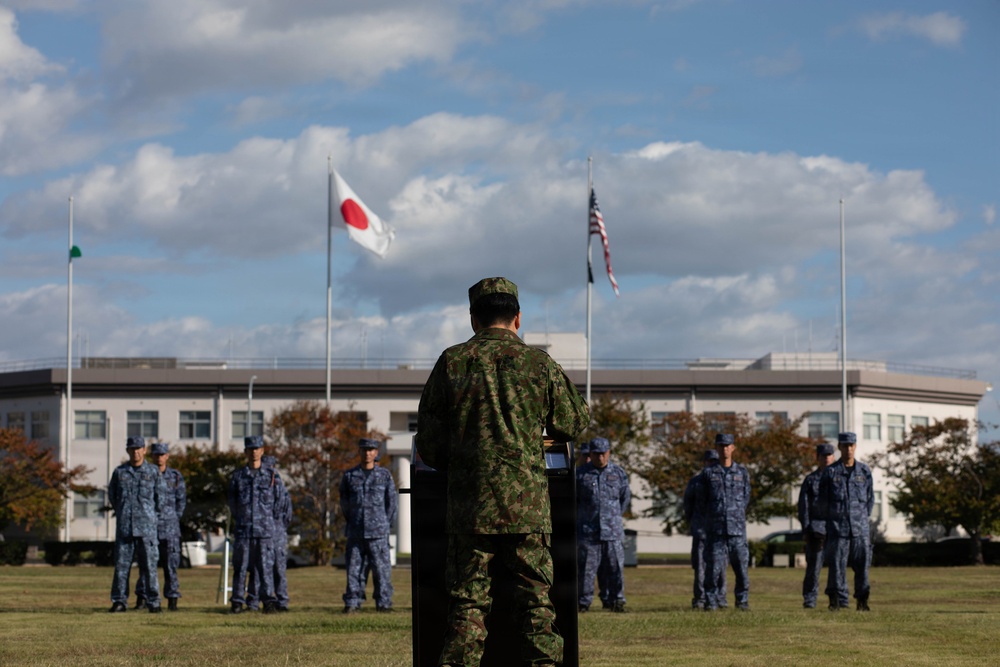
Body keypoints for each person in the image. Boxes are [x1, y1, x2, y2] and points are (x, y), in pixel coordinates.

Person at [415, 276, 590, 667]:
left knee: (467, 605)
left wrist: (461, 465)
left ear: (474, 319)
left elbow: (427, 440)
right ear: (518, 318)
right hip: (527, 510)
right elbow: (573, 423)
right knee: (536, 606)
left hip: (469, 507)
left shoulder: (452, 362)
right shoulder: (538, 362)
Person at [228, 435, 289, 614]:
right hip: (244, 530)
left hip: (265, 531)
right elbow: (233, 503)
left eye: (257, 449)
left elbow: (280, 502)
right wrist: (242, 518)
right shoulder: (238, 476)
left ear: (262, 451)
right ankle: (238, 602)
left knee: (265, 568)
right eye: (251, 449)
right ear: (246, 452)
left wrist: (267, 520)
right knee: (240, 567)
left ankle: (268, 601)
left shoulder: (271, 476)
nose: (254, 452)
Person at [108, 436, 166, 613]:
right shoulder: (120, 473)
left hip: (147, 528)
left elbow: (160, 499)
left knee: (149, 567)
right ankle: (119, 601)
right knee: (121, 566)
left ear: (144, 450)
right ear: (127, 451)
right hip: (125, 527)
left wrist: (150, 517)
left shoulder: (153, 472)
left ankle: (153, 602)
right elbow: (113, 497)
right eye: (132, 449)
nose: (135, 452)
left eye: (138, 448)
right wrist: (123, 512)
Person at [340, 437, 399, 613]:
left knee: (381, 570)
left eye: (371, 450)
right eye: (364, 450)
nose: (367, 453)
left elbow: (391, 503)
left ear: (376, 453)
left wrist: (384, 523)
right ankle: (352, 602)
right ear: (359, 452)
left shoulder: (384, 476)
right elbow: (344, 503)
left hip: (378, 532)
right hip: (356, 531)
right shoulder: (350, 476)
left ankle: (384, 603)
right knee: (354, 570)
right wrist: (353, 519)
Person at [817, 432, 874, 612]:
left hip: (860, 530)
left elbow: (870, 499)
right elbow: (822, 501)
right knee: (836, 567)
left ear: (855, 446)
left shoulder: (864, 471)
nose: (848, 449)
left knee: (862, 567)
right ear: (839, 447)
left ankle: (862, 601)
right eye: (845, 445)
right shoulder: (830, 472)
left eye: (851, 445)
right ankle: (834, 601)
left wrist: (862, 519)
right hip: (837, 529)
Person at [576, 436, 631, 613]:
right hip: (588, 531)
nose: (600, 457)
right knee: (586, 571)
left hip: (612, 531)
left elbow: (624, 498)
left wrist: (612, 517)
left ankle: (617, 601)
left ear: (609, 453)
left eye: (603, 453)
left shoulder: (619, 473)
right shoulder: (580, 474)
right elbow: (574, 501)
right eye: (596, 454)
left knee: (615, 568)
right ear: (590, 454)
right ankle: (584, 602)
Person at [698, 433, 751, 611]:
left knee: (741, 570)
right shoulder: (708, 473)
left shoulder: (742, 473)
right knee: (713, 569)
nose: (725, 449)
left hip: (737, 530)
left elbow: (746, 498)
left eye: (728, 445)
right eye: (721, 446)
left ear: (733, 448)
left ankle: (742, 602)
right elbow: (702, 501)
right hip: (716, 531)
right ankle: (711, 601)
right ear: (716, 448)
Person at [134, 442, 187, 612]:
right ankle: (142, 598)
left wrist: (173, 518)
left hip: (170, 529)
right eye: (156, 455)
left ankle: (172, 599)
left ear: (167, 456)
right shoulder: (145, 474)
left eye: (162, 454)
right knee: (146, 566)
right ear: (152, 456)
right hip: (149, 527)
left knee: (170, 566)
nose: (159, 457)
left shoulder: (175, 476)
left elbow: (181, 501)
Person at [246, 455, 293, 612]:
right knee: (256, 569)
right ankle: (253, 601)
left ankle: (282, 601)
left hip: (277, 534)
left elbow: (287, 513)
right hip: (260, 532)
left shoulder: (280, 488)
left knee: (278, 569)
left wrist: (277, 527)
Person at [683, 449, 724, 611]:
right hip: (701, 530)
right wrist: (694, 522)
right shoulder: (696, 482)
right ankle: (700, 598)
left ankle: (720, 597)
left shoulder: (721, 480)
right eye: (710, 461)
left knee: (719, 566)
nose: (712, 465)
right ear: (705, 463)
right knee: (700, 567)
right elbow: (688, 505)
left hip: (718, 530)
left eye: (715, 461)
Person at [797, 442, 836, 609]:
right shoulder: (810, 480)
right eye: (823, 456)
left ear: (833, 457)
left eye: (829, 455)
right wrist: (806, 528)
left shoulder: (839, 478)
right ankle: (810, 599)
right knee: (814, 567)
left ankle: (836, 599)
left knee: (837, 568)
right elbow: (803, 506)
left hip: (835, 529)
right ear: (817, 458)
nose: (826, 458)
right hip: (816, 530)